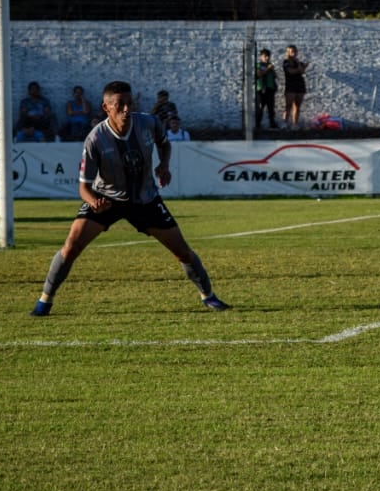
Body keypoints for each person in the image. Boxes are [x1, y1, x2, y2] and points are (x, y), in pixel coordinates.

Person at [29, 80, 229, 317]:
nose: (126, 109)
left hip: (145, 199)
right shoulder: (95, 139)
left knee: (182, 251)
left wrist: (164, 165)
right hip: (107, 200)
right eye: (119, 105)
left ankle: (209, 297)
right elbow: (83, 187)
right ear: (106, 108)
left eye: (129, 103)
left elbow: (164, 145)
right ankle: (45, 301)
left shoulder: (149, 123)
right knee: (71, 246)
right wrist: (94, 203)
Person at [282, 45, 309, 129]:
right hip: (290, 86)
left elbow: (302, 72)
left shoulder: (299, 62)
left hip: (300, 85)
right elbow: (291, 71)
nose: (293, 52)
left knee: (297, 106)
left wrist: (298, 64)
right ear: (288, 52)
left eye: (295, 51)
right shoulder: (286, 62)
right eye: (291, 51)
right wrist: (300, 69)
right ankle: (285, 123)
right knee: (288, 106)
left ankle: (294, 124)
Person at [254, 48, 279, 130]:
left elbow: (275, 76)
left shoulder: (270, 65)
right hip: (261, 89)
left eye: (268, 56)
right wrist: (268, 68)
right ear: (261, 57)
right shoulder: (258, 65)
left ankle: (272, 123)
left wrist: (272, 70)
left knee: (271, 107)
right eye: (265, 56)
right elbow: (259, 74)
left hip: (270, 89)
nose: (267, 58)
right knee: (260, 107)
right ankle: (257, 124)